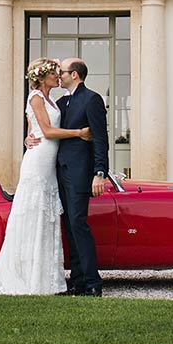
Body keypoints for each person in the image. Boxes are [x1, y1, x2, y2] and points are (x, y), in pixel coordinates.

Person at [0, 58, 90, 295]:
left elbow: (33, 128)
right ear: (42, 77)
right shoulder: (35, 97)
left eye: (60, 73)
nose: (58, 77)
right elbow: (46, 131)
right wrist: (79, 133)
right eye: (54, 74)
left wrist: (28, 138)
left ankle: (45, 276)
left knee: (46, 217)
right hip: (38, 162)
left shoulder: (52, 100)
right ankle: (27, 275)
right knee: (34, 212)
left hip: (49, 161)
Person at [53, 57, 110, 296]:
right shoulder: (59, 102)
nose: (59, 75)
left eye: (63, 72)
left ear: (74, 74)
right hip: (60, 172)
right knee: (69, 226)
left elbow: (100, 139)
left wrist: (99, 173)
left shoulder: (92, 99)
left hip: (79, 173)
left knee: (79, 224)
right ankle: (77, 282)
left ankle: (92, 283)